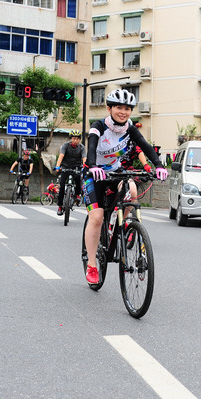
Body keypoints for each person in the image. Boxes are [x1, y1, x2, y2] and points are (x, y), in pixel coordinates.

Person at [82, 88, 168, 285]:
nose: (123, 112)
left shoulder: (130, 128)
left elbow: (145, 146)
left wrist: (159, 166)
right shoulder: (98, 126)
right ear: (109, 108)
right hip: (93, 174)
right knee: (96, 217)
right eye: (119, 107)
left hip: (115, 172)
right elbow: (92, 147)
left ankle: (119, 224)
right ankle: (92, 264)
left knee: (133, 190)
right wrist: (94, 166)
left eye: (128, 108)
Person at [54, 130, 86, 216]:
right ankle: (60, 206)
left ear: (79, 140)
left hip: (76, 167)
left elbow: (84, 159)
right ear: (71, 138)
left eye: (77, 139)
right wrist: (57, 166)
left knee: (79, 180)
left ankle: (77, 195)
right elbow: (61, 156)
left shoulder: (82, 147)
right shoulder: (65, 146)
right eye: (74, 138)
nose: (75, 141)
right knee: (61, 187)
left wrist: (85, 168)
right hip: (65, 167)